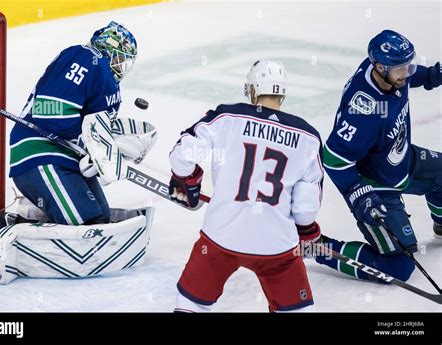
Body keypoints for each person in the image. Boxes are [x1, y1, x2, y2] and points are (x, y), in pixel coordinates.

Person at [168, 60, 324, 312]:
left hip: (221, 238)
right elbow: (306, 209)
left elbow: (183, 155)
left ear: (252, 90)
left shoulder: (227, 117)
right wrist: (307, 232)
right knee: (298, 309)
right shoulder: (308, 137)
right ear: (282, 93)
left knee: (192, 302)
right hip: (277, 246)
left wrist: (186, 179)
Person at [318, 30, 441, 282]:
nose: (407, 73)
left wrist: (431, 75)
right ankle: (317, 247)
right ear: (379, 67)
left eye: (409, 65)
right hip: (376, 184)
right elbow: (332, 157)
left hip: (400, 160)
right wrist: (357, 192)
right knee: (398, 268)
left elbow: (409, 73)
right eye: (400, 69)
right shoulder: (362, 111)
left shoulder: (387, 72)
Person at [8, 21, 151, 226]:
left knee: (99, 217)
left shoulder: (108, 85)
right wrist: (90, 144)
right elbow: (48, 109)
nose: (121, 66)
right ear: (107, 50)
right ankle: (12, 233)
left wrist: (110, 148)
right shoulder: (86, 57)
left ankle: (29, 219)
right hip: (40, 153)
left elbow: (96, 127)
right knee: (85, 223)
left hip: (68, 157)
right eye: (119, 59)